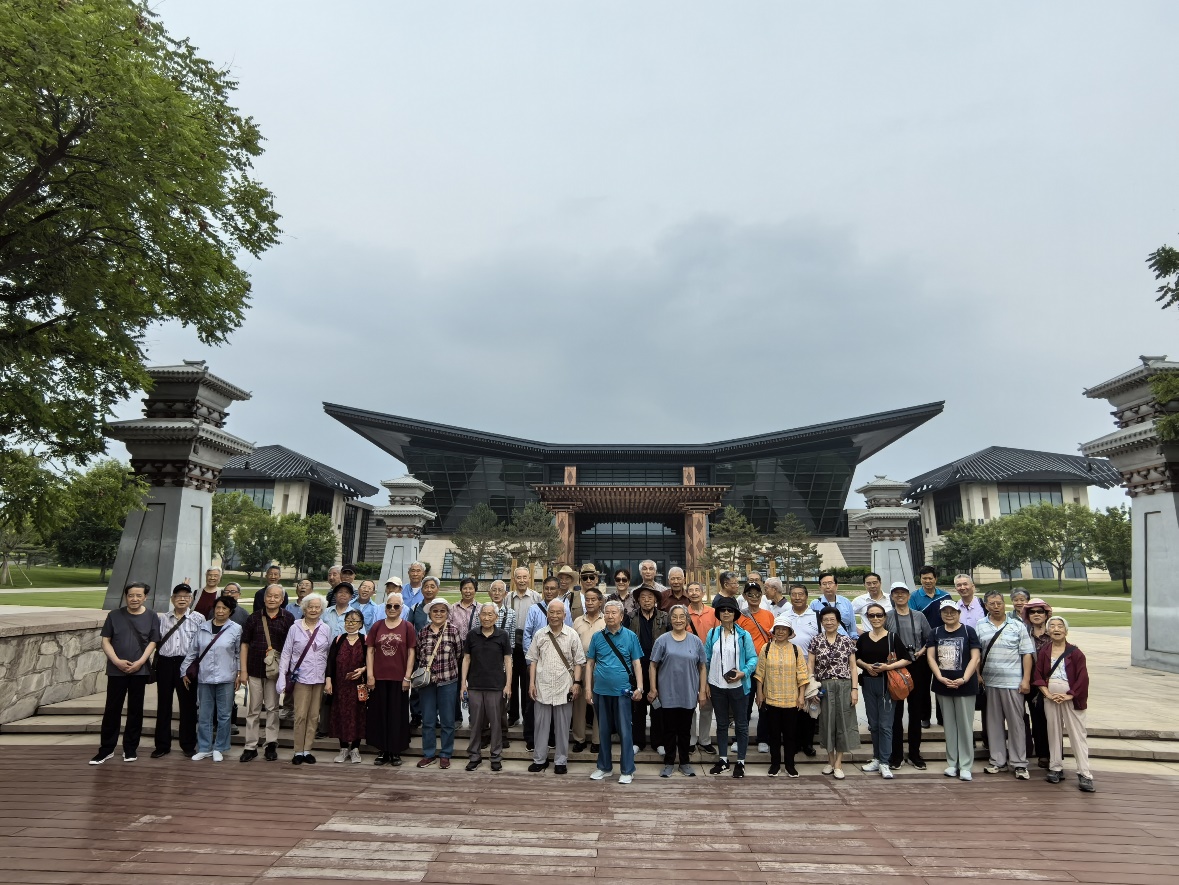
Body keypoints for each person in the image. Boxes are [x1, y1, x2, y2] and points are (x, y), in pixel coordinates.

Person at [91, 582, 161, 764]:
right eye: (131, 595)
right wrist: (116, 661)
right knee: (112, 709)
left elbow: (153, 642)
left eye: (139, 595)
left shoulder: (152, 616)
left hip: (139, 670)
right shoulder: (114, 615)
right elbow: (105, 641)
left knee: (135, 710)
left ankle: (130, 749)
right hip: (116, 671)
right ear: (125, 596)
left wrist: (140, 662)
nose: (134, 599)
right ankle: (106, 749)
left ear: (145, 597)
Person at [976, 589, 1034, 780]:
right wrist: (977, 675)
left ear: (1004, 604)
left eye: (999, 603)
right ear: (986, 606)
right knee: (994, 724)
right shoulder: (980, 625)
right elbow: (976, 654)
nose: (996, 606)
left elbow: (1027, 654)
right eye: (992, 603)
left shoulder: (1017, 626)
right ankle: (997, 760)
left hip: (1013, 683)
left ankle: (1019, 763)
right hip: (990, 683)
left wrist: (1026, 680)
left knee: (1016, 723)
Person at [585, 599, 645, 783]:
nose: (610, 616)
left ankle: (627, 770)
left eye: (614, 613)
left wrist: (640, 687)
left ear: (621, 616)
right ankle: (604, 767)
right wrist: (588, 688)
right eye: (607, 612)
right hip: (600, 691)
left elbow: (637, 663)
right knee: (603, 731)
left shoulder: (630, 636)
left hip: (622, 692)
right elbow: (590, 664)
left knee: (625, 732)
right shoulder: (597, 637)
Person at [1034, 616, 1094, 792]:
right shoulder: (1044, 651)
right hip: (1051, 697)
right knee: (1053, 732)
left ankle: (1084, 773)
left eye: (1060, 626)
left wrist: (1070, 695)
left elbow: (1083, 678)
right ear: (1048, 631)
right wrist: (1047, 694)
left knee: (1077, 734)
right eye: (1052, 626)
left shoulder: (1076, 653)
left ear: (1066, 631)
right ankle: (1055, 767)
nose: (1056, 629)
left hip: (1071, 697)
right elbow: (1038, 675)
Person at [526, 599, 586, 774]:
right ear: (547, 614)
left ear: (564, 615)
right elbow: (533, 660)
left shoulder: (572, 634)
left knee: (562, 727)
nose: (554, 616)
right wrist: (531, 683)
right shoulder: (540, 634)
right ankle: (539, 759)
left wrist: (577, 683)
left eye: (558, 612)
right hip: (542, 686)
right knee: (540, 726)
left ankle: (561, 761)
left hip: (564, 687)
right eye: (551, 612)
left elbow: (579, 662)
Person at [181, 595, 243, 762]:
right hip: (205, 677)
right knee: (204, 715)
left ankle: (219, 747)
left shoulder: (236, 629)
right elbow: (193, 651)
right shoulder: (203, 627)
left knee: (224, 715)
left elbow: (238, 653)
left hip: (226, 677)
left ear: (230, 611)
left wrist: (239, 674)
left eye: (224, 608)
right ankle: (204, 747)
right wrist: (184, 671)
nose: (220, 611)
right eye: (218, 607)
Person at [239, 583, 295, 762]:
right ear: (264, 598)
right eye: (269, 596)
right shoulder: (254, 618)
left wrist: (286, 673)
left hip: (275, 672)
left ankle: (271, 744)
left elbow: (290, 647)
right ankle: (250, 746)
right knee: (253, 710)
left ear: (282, 599)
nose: (272, 599)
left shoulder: (288, 618)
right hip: (254, 669)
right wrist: (243, 671)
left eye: (276, 596)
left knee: (272, 708)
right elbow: (244, 644)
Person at [649, 604, 706, 777]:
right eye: (675, 617)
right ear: (670, 620)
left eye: (682, 616)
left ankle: (684, 762)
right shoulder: (662, 640)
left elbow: (702, 667)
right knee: (669, 731)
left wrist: (702, 691)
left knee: (685, 730)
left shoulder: (695, 641)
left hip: (688, 692)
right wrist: (653, 688)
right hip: (668, 693)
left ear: (687, 619)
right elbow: (653, 665)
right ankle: (668, 763)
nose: (678, 620)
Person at [703, 597, 758, 778]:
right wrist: (706, 683)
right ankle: (723, 760)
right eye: (722, 610)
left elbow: (753, 658)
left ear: (735, 614)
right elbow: (706, 659)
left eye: (730, 610)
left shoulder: (743, 635)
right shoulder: (712, 634)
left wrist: (744, 672)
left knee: (741, 724)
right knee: (721, 724)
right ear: (718, 613)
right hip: (716, 685)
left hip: (738, 686)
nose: (726, 613)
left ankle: (740, 761)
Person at [928, 599, 981, 781]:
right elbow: (931, 657)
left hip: (965, 685)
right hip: (943, 685)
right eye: (945, 612)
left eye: (952, 612)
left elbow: (975, 657)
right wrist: (939, 677)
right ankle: (952, 763)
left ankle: (965, 765)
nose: (949, 615)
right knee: (949, 726)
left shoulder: (968, 631)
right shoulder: (935, 632)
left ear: (959, 613)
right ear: (941, 614)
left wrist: (964, 678)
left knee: (965, 726)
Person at [856, 602, 910, 779]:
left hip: (887, 684)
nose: (876, 618)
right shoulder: (864, 638)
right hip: (868, 683)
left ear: (885, 617)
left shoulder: (892, 637)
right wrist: (866, 666)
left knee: (885, 725)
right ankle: (877, 758)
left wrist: (888, 667)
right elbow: (856, 658)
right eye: (871, 615)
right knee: (874, 724)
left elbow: (907, 659)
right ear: (867, 618)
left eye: (879, 615)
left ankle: (885, 761)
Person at [277, 593, 333, 764]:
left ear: (321, 609)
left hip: (319, 677)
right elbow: (286, 653)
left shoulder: (325, 628)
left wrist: (329, 678)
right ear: (304, 608)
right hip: (301, 677)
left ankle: (307, 749)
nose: (313, 610)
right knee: (300, 715)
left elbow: (329, 654)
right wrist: (282, 676)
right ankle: (298, 751)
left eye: (317, 607)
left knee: (314, 716)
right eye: (310, 607)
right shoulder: (295, 628)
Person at [884, 581, 933, 771]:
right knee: (896, 713)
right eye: (896, 593)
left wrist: (921, 651)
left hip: (917, 665)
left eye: (903, 592)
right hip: (895, 667)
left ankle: (914, 753)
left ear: (908, 595)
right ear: (892, 596)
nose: (900, 595)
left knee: (915, 711)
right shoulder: (888, 616)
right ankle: (896, 755)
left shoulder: (919, 616)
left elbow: (930, 638)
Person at [152, 582, 203, 759]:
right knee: (164, 704)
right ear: (172, 599)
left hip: (187, 664)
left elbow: (201, 644)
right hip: (165, 664)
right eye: (178, 596)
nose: (182, 599)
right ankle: (162, 745)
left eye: (186, 596)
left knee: (188, 705)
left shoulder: (198, 618)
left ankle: (188, 744)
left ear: (191, 599)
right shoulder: (163, 618)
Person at [808, 605, 860, 779]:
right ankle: (830, 760)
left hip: (844, 685)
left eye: (832, 619)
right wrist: (812, 687)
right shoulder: (816, 640)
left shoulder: (846, 641)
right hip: (824, 686)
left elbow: (853, 667)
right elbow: (810, 665)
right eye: (826, 620)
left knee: (844, 722)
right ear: (821, 622)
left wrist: (854, 689)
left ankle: (838, 763)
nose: (829, 622)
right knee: (827, 722)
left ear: (838, 622)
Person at [755, 614, 809, 777]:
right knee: (774, 735)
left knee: (790, 735)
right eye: (777, 629)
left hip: (791, 700)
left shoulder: (796, 650)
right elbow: (760, 673)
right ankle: (775, 765)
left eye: (784, 629)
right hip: (771, 699)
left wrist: (801, 696)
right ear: (773, 631)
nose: (780, 632)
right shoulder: (766, 648)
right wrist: (759, 693)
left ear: (789, 632)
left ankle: (790, 765)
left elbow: (802, 674)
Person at [366, 591, 416, 766]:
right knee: (379, 714)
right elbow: (370, 651)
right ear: (385, 607)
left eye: (396, 606)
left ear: (401, 608)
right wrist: (370, 675)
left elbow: (411, 652)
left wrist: (407, 677)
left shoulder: (407, 627)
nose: (392, 608)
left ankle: (395, 750)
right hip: (379, 677)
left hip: (399, 678)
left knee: (397, 715)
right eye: (389, 605)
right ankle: (382, 750)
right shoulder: (377, 626)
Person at [462, 603, 513, 771]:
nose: (486, 617)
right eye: (484, 614)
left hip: (496, 686)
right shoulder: (472, 635)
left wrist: (508, 684)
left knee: (496, 724)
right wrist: (463, 684)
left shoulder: (502, 635)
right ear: (479, 616)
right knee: (475, 723)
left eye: (490, 614)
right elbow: (466, 659)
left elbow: (508, 661)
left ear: (496, 618)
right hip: (475, 685)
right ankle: (474, 756)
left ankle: (496, 756)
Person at [415, 597, 463, 768]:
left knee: (448, 721)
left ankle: (445, 753)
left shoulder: (453, 631)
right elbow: (419, 655)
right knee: (428, 720)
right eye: (435, 611)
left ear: (447, 613)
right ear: (429, 613)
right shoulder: (423, 632)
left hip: (448, 681)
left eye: (442, 611)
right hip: (427, 683)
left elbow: (458, 654)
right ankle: (429, 754)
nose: (438, 614)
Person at [628, 584, 669, 755]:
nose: (646, 600)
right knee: (637, 707)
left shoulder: (664, 618)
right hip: (637, 668)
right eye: (643, 597)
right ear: (638, 600)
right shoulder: (630, 617)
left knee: (658, 707)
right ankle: (637, 741)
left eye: (650, 597)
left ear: (656, 600)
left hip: (659, 668)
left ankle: (658, 742)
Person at [909, 565, 951, 727]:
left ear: (935, 579)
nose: (927, 581)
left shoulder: (945, 596)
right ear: (920, 580)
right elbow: (914, 621)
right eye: (924, 578)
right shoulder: (914, 597)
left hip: (943, 646)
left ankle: (943, 717)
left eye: (930, 578)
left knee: (943, 681)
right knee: (922, 684)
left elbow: (950, 617)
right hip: (923, 647)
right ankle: (924, 716)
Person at [325, 609, 368, 763]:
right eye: (348, 621)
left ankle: (355, 749)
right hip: (340, 686)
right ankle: (343, 748)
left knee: (358, 715)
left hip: (359, 686)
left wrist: (363, 669)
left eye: (354, 621)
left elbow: (372, 661)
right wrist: (328, 680)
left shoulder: (365, 640)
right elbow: (330, 661)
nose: (350, 624)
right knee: (340, 714)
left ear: (361, 624)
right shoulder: (338, 639)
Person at [738, 582, 775, 754]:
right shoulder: (740, 616)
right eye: (750, 594)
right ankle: (740, 738)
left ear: (762, 596)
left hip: (765, 665)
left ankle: (763, 738)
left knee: (764, 703)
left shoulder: (768, 615)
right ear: (744, 596)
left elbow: (773, 637)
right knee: (744, 704)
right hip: (746, 666)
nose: (754, 597)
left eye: (757, 594)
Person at [783, 583, 819, 758]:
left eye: (801, 594)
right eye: (794, 594)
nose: (797, 597)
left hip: (810, 665)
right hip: (788, 667)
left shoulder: (816, 616)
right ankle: (794, 742)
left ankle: (808, 743)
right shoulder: (784, 616)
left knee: (810, 705)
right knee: (793, 706)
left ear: (806, 596)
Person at [506, 567, 542, 733]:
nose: (521, 580)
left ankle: (528, 716)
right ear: (514, 579)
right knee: (512, 680)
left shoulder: (536, 597)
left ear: (529, 579)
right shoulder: (508, 597)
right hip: (512, 645)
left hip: (529, 645)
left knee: (528, 681)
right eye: (518, 577)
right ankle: (513, 715)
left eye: (524, 577)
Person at [571, 586, 606, 753]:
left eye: (593, 600)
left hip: (600, 668)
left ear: (600, 602)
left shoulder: (606, 621)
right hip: (581, 666)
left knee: (598, 704)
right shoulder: (577, 621)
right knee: (578, 704)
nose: (590, 602)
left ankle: (597, 740)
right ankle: (579, 738)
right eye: (587, 600)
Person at [685, 580, 718, 753]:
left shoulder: (713, 613)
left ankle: (704, 739)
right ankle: (691, 739)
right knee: (690, 703)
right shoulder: (684, 613)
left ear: (703, 593)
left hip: (709, 663)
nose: (694, 593)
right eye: (691, 590)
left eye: (697, 590)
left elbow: (718, 636)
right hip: (689, 664)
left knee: (707, 704)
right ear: (687, 594)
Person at [484, 579, 516, 748]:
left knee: (501, 703)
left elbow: (511, 643)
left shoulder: (511, 613)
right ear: (489, 593)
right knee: (483, 703)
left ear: (505, 594)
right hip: (483, 665)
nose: (496, 593)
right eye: (494, 590)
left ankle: (502, 734)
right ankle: (484, 734)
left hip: (501, 664)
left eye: (500, 590)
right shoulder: (482, 611)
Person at [1022, 598, 1053, 768]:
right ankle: (1036, 752)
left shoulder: (1053, 633)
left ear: (1046, 614)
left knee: (1050, 720)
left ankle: (1051, 754)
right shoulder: (1024, 634)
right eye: (1032, 612)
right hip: (1029, 681)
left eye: (1040, 611)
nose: (1036, 614)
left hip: (1050, 683)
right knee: (1034, 717)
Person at [809, 573, 857, 638]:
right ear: (820, 587)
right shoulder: (814, 604)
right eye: (824, 584)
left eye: (830, 583)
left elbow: (852, 626)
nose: (827, 586)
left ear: (836, 586)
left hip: (845, 641)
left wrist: (854, 639)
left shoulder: (846, 602)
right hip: (823, 641)